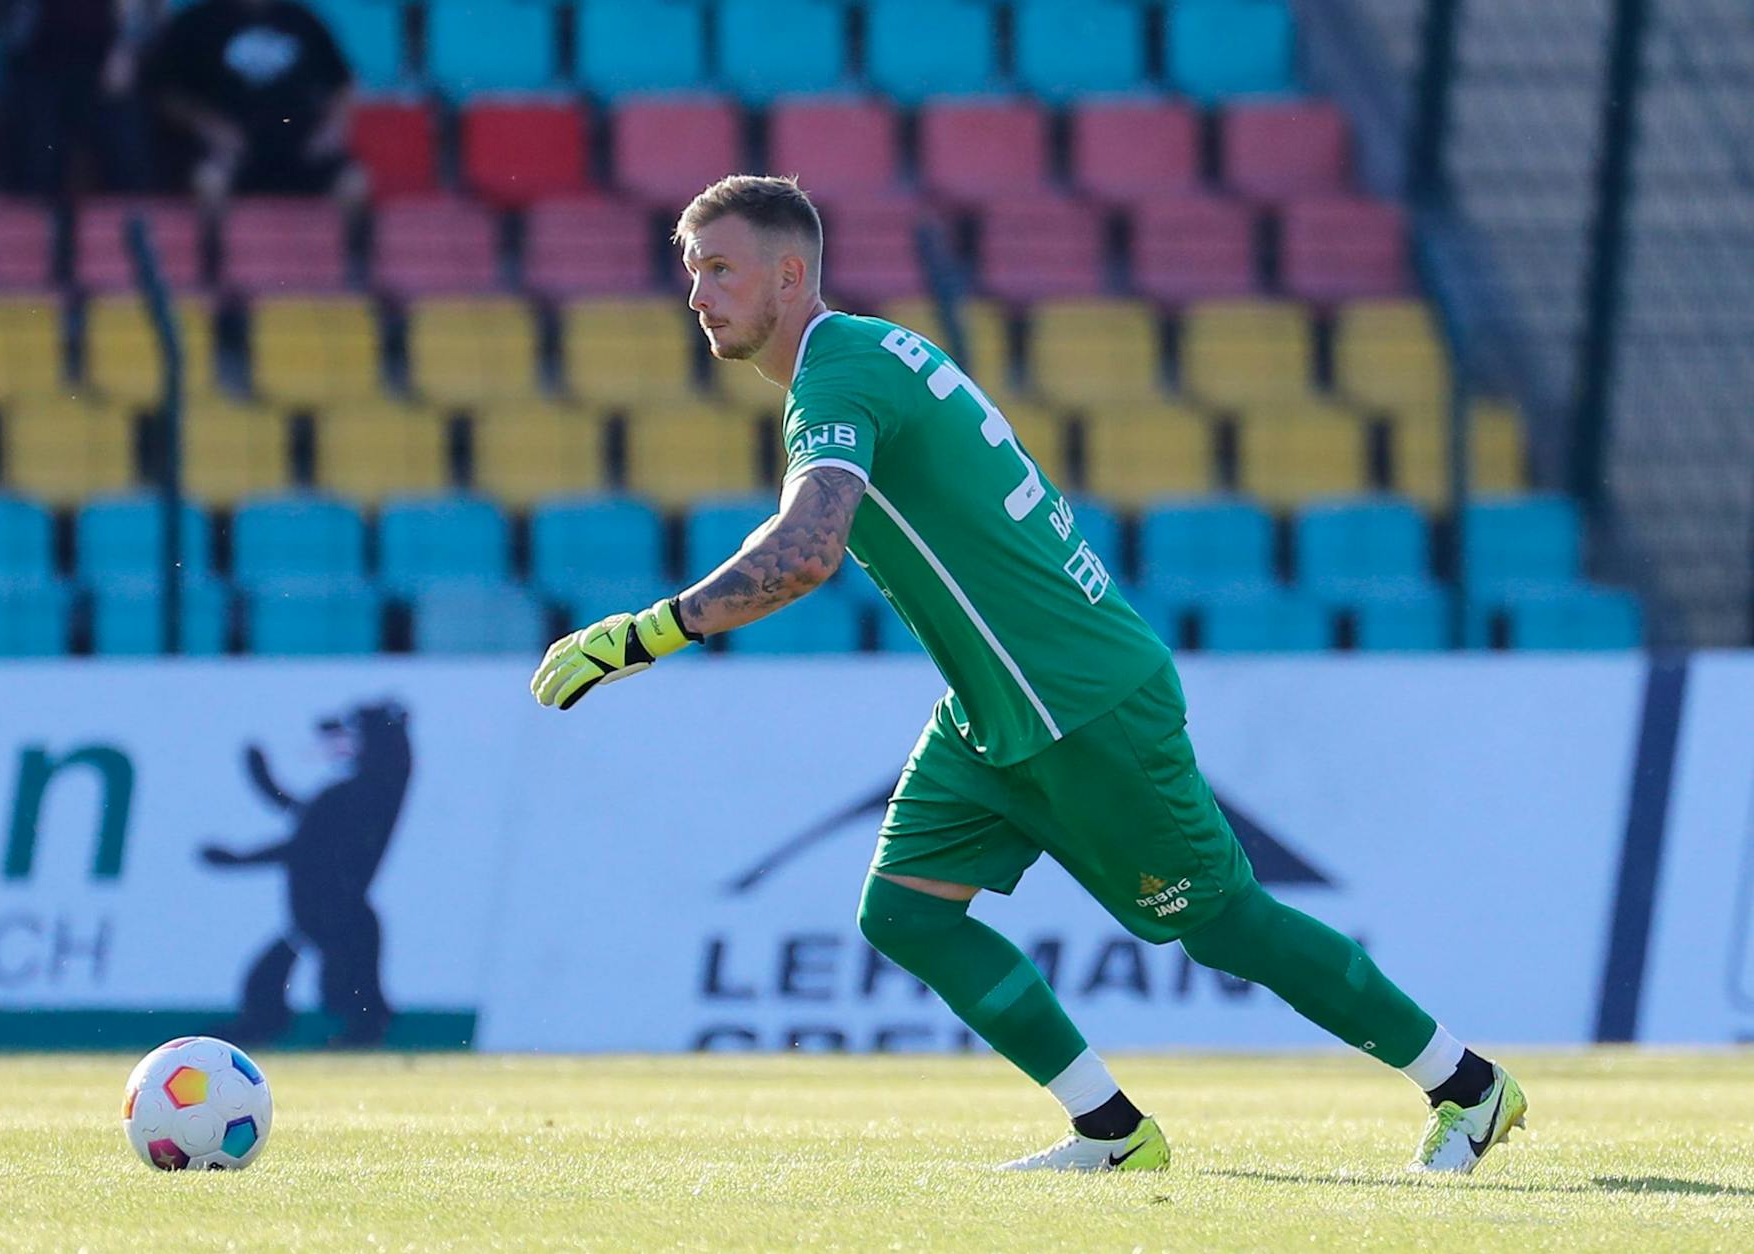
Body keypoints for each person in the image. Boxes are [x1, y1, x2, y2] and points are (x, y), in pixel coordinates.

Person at [529, 175, 1528, 1175]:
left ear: (790, 276)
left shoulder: (839, 374)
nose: (697, 295)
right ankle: (1110, 1131)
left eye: (719, 269)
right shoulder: (867, 355)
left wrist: (647, 634)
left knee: (1228, 927)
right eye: (691, 271)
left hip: (1080, 700)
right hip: (997, 708)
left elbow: (807, 550)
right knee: (906, 912)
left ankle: (1467, 1087)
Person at [142, 0, 365, 208]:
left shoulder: (302, 20)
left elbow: (341, 83)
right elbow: (165, 93)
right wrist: (209, 126)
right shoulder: (196, 23)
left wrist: (331, 130)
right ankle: (210, 240)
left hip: (300, 148)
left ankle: (352, 241)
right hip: (228, 151)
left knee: (354, 183)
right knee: (208, 182)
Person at [0, 0, 157, 196]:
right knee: (37, 163)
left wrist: (124, 50)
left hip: (101, 61)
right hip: (38, 64)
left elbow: (134, 11)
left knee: (129, 160)